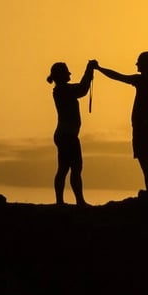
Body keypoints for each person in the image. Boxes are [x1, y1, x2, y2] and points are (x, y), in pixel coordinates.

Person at [95, 52, 148, 198]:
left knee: (146, 163)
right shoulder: (146, 81)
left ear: (146, 64)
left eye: (138, 61)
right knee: (145, 162)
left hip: (144, 129)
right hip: (140, 129)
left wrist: (146, 122)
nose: (136, 64)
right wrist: (100, 69)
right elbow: (119, 77)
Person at [46, 59, 96, 206]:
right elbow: (82, 89)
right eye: (67, 71)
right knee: (73, 168)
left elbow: (82, 88)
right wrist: (89, 70)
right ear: (61, 75)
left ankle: (62, 201)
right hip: (67, 135)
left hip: (65, 134)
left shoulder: (62, 90)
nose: (69, 73)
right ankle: (76, 201)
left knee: (66, 168)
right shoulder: (63, 90)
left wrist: (89, 71)